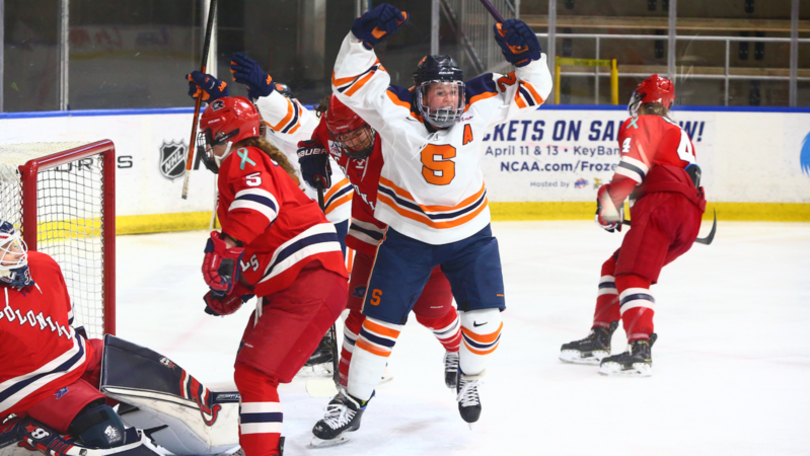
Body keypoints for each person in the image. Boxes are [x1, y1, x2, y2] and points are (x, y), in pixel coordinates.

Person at [313, 2, 552, 441]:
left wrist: (527, 59)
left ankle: (470, 379)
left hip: (470, 238)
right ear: (420, 94)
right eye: (438, 93)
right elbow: (347, 82)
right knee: (377, 328)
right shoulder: (394, 109)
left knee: (484, 324)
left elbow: (535, 92)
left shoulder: (478, 103)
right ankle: (352, 401)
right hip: (407, 238)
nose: (448, 100)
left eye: (453, 92)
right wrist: (360, 40)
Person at [195, 95, 348, 456]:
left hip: (307, 277)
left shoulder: (241, 157)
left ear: (224, 133)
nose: (210, 144)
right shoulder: (258, 159)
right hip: (305, 279)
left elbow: (259, 202)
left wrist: (228, 245)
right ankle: (260, 447)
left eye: (210, 134)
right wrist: (237, 290)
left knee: (255, 375)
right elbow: (268, 242)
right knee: (252, 372)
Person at [188, 64, 353, 376]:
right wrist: (218, 99)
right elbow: (237, 124)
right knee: (284, 280)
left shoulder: (298, 124)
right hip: (294, 217)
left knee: (323, 282)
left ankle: (341, 350)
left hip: (327, 214)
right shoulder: (256, 139)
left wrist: (263, 93)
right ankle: (299, 342)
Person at [297, 95, 463, 399]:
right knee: (358, 314)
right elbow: (320, 134)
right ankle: (348, 391)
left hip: (420, 238)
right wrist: (313, 151)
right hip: (373, 237)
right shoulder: (337, 128)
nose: (350, 141)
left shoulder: (401, 138)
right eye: (342, 136)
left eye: (357, 133)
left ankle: (457, 350)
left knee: (431, 313)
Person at [559, 74, 707, 377]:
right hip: (689, 214)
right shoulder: (678, 131)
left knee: (632, 274)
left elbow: (632, 170)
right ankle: (600, 336)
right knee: (614, 266)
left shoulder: (641, 123)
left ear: (642, 100)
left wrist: (609, 205)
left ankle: (639, 350)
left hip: (661, 207)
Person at [0, 222, 159, 455]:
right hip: (29, 386)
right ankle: (18, 428)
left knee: (149, 371)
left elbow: (67, 321)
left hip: (76, 356)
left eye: (14, 243)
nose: (18, 253)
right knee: (106, 431)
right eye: (6, 249)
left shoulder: (42, 265)